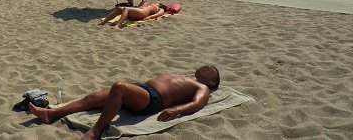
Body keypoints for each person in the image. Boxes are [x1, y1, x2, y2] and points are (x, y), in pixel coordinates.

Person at [29, 66, 220, 140]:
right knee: (91, 98)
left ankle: (96, 131)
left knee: (118, 87)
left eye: (211, 70)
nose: (207, 67)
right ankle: (50, 114)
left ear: (211, 82)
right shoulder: (188, 77)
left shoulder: (202, 88)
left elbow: (198, 104)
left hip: (153, 99)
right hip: (142, 89)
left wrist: (176, 110)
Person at [96, 0, 166, 29]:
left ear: (160, 4)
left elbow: (158, 14)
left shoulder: (160, 9)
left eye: (157, 3)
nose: (156, 2)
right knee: (119, 8)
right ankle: (104, 22)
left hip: (143, 13)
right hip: (138, 11)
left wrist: (149, 17)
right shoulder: (149, 4)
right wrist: (143, 2)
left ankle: (118, 25)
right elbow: (139, 7)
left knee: (126, 8)